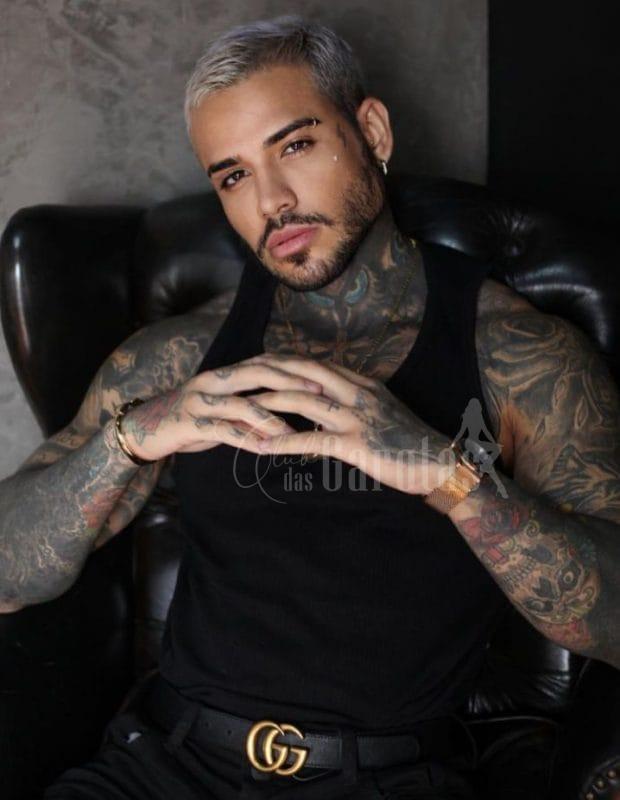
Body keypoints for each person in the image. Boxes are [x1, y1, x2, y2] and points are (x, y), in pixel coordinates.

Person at [1, 15, 619, 800]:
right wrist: (129, 437)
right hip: (166, 769)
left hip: (386, 779)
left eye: (294, 146)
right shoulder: (178, 357)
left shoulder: (521, 358)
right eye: (232, 176)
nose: (272, 201)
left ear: (372, 131)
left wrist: (452, 478)